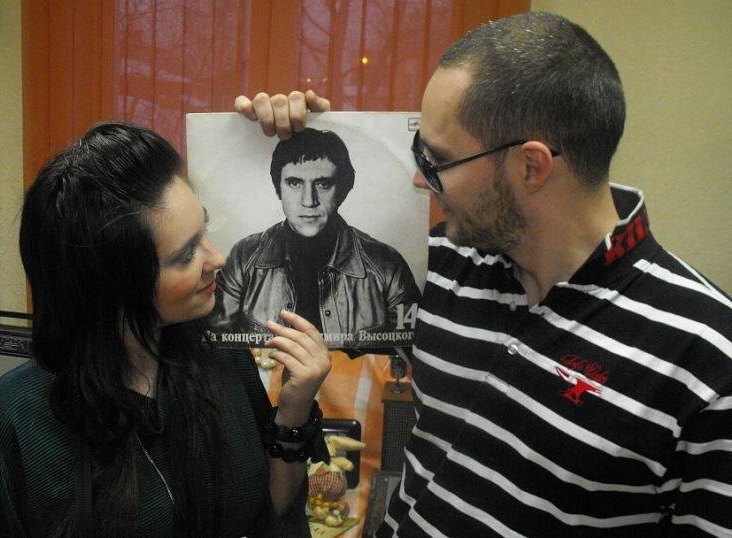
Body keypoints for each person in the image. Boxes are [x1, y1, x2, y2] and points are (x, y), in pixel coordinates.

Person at [237, 11, 732, 537]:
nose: (419, 180)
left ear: (531, 166)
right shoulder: (442, 263)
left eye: (436, 160)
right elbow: (265, 283)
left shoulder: (708, 365)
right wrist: (277, 138)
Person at [0, 121, 332, 537]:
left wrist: (294, 410)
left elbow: (272, 511)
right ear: (115, 286)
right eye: (186, 254)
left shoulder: (222, 360)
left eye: (205, 230)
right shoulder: (17, 420)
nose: (217, 259)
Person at [209, 126, 420, 348]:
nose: (309, 201)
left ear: (342, 189)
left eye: (323, 184)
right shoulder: (244, 257)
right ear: (278, 188)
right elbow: (216, 344)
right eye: (294, 183)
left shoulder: (387, 266)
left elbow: (408, 354)